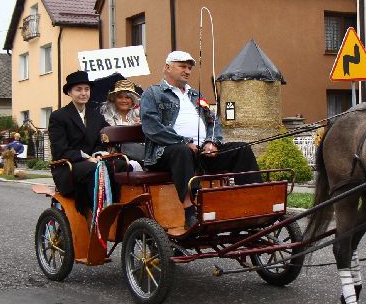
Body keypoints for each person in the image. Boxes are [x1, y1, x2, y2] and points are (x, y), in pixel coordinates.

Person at [140, 50, 261, 228]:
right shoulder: (153, 93)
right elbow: (152, 127)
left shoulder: (196, 95)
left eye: (189, 68)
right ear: (167, 67)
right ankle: (190, 212)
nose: (187, 71)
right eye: (182, 66)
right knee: (182, 151)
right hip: (166, 153)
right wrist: (184, 142)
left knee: (241, 149)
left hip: (202, 152)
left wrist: (212, 143)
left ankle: (255, 203)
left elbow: (213, 121)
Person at [48, 70, 126, 214]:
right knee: (94, 169)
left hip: (94, 161)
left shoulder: (96, 115)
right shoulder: (58, 116)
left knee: (121, 165)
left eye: (87, 89)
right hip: (69, 166)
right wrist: (86, 157)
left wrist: (97, 153)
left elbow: (100, 141)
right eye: (78, 89)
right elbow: (60, 150)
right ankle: (96, 211)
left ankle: (117, 208)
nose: (83, 93)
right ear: (69, 92)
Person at [100, 78, 145, 166]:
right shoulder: (105, 118)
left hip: (140, 157)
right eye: (120, 97)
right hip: (116, 158)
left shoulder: (140, 116)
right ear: (114, 99)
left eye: (128, 97)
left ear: (133, 100)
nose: (124, 101)